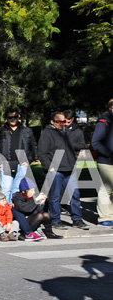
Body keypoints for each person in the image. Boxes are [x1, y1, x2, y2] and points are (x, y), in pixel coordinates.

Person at [38, 111, 88, 230]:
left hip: (69, 168)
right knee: (55, 196)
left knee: (75, 194)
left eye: (64, 121)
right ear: (52, 122)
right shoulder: (47, 133)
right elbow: (42, 152)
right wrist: (49, 166)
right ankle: (55, 220)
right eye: (60, 121)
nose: (63, 124)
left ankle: (77, 219)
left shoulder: (67, 132)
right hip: (56, 169)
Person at [0, 109, 38, 202]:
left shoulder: (27, 131)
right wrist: (0, 162)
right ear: (7, 119)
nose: (13, 119)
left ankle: (15, 210)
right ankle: (6, 209)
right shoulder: (1, 131)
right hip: (6, 162)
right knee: (6, 188)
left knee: (17, 189)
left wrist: (29, 160)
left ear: (18, 117)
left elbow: (33, 147)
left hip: (22, 163)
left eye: (15, 117)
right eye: (10, 117)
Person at [91, 98, 113, 227]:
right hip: (107, 161)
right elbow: (96, 142)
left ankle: (110, 215)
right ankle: (105, 217)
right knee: (106, 189)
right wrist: (109, 154)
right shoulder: (104, 121)